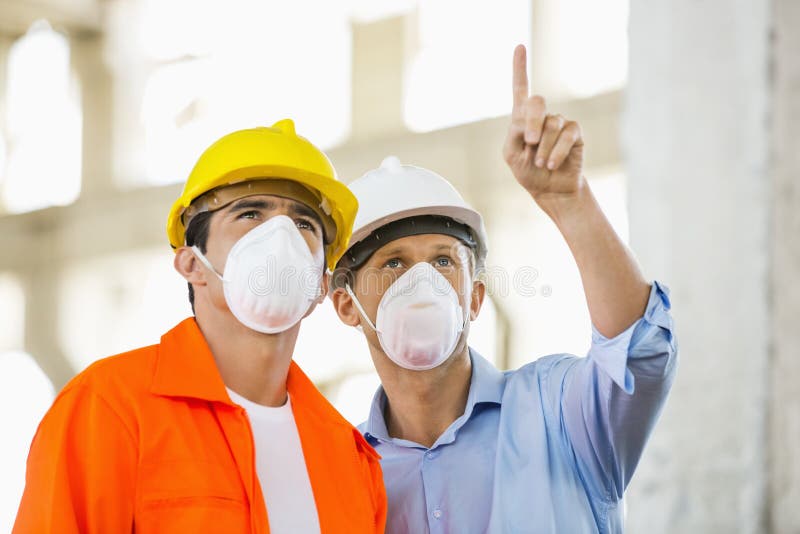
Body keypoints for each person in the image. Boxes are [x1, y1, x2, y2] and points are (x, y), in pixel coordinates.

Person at [329, 45, 677, 533]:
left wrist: (570, 201)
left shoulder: (559, 413)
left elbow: (638, 351)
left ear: (474, 298)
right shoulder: (338, 475)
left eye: (444, 260)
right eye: (393, 262)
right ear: (346, 304)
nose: (420, 281)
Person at [15, 119, 386, 534]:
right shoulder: (109, 408)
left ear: (321, 283)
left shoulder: (348, 456)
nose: (282, 237)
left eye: (305, 223)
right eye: (250, 213)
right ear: (192, 264)